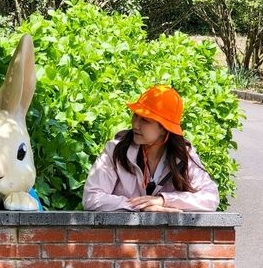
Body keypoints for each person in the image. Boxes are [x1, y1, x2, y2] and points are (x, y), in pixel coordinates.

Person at [82, 85, 219, 212]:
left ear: (164, 129)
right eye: (135, 116)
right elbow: (91, 198)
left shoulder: (183, 155)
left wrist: (163, 201)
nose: (135, 125)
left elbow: (211, 198)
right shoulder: (115, 150)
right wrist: (141, 206)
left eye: (145, 120)